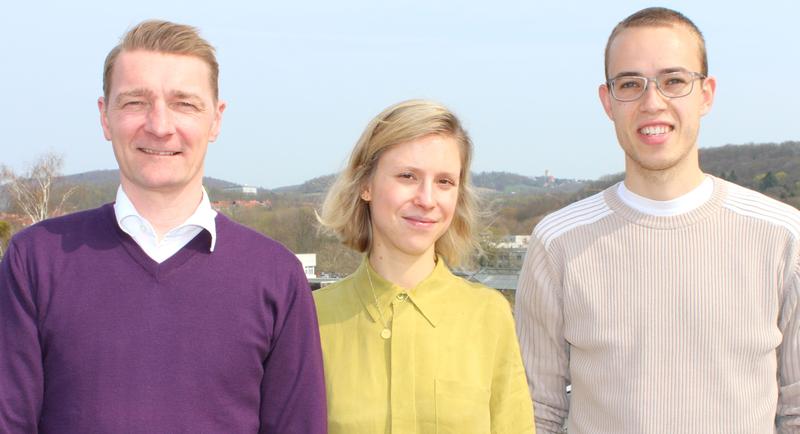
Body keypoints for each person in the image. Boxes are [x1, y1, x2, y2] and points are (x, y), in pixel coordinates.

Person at [0, 20, 326, 433]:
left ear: (216, 119)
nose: (159, 125)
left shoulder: (277, 276)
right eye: (135, 102)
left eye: (184, 103)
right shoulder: (34, 261)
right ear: (105, 116)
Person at [515, 6, 800, 433]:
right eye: (630, 83)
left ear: (706, 94)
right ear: (607, 101)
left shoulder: (782, 236)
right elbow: (538, 414)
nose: (653, 102)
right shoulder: (557, 243)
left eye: (674, 81)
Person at [314, 99, 535, 433]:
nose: (427, 199)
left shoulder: (489, 315)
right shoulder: (311, 319)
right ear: (366, 184)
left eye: (445, 182)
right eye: (407, 176)